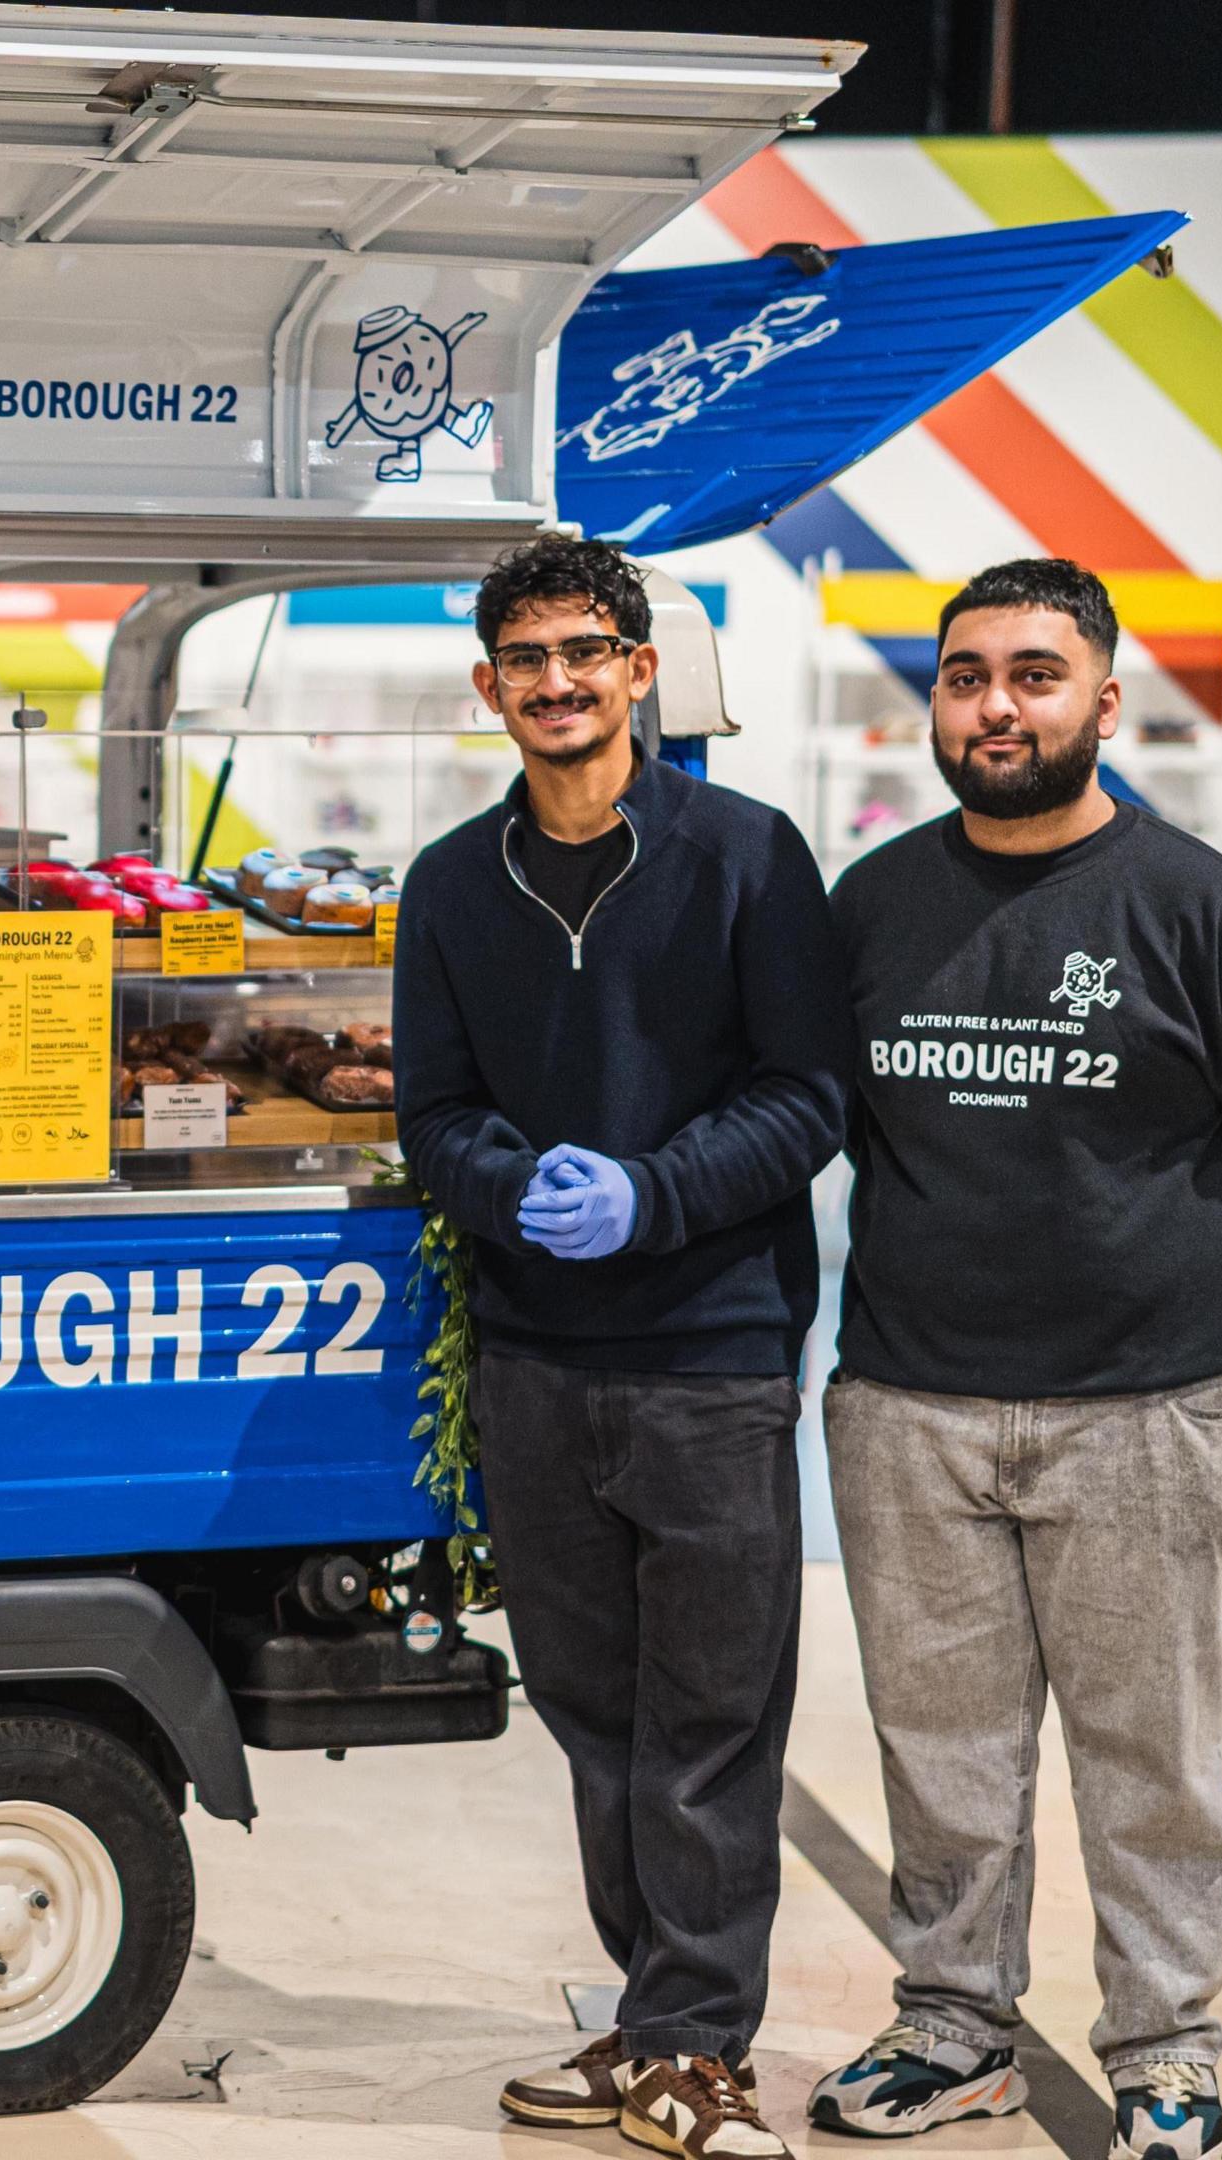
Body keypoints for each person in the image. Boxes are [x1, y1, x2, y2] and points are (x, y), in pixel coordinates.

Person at [806, 561, 1222, 2160]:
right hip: (911, 1400)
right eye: (968, 675)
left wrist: (1187, 1289)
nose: (998, 705)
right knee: (943, 1755)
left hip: (1146, 1410)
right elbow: (823, 1113)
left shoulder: (1197, 907)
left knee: (1154, 1764)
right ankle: (954, 2029)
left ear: (1104, 703)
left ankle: (1169, 2056)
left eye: (1036, 675)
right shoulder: (879, 905)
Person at [394, 537, 849, 2160]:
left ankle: (702, 2054)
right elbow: (433, 1117)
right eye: (527, 659)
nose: (560, 682)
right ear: (488, 688)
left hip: (711, 1359)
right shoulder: (451, 885)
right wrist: (520, 1192)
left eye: (588, 651)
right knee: (595, 1713)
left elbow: (810, 1097)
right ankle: (652, 2022)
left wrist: (651, 1195)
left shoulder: (747, 858)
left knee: (714, 1719)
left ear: (641, 671)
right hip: (532, 1357)